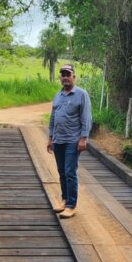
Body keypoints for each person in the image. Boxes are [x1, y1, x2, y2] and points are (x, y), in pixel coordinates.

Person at [46, 64, 92, 218]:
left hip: (73, 140)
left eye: (68, 74)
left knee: (69, 172)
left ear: (74, 77)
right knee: (61, 172)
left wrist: (83, 138)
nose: (65, 77)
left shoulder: (81, 94)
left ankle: (71, 205)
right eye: (63, 75)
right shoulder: (58, 95)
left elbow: (86, 117)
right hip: (58, 140)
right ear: (60, 77)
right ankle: (64, 200)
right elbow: (53, 118)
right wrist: (50, 137)